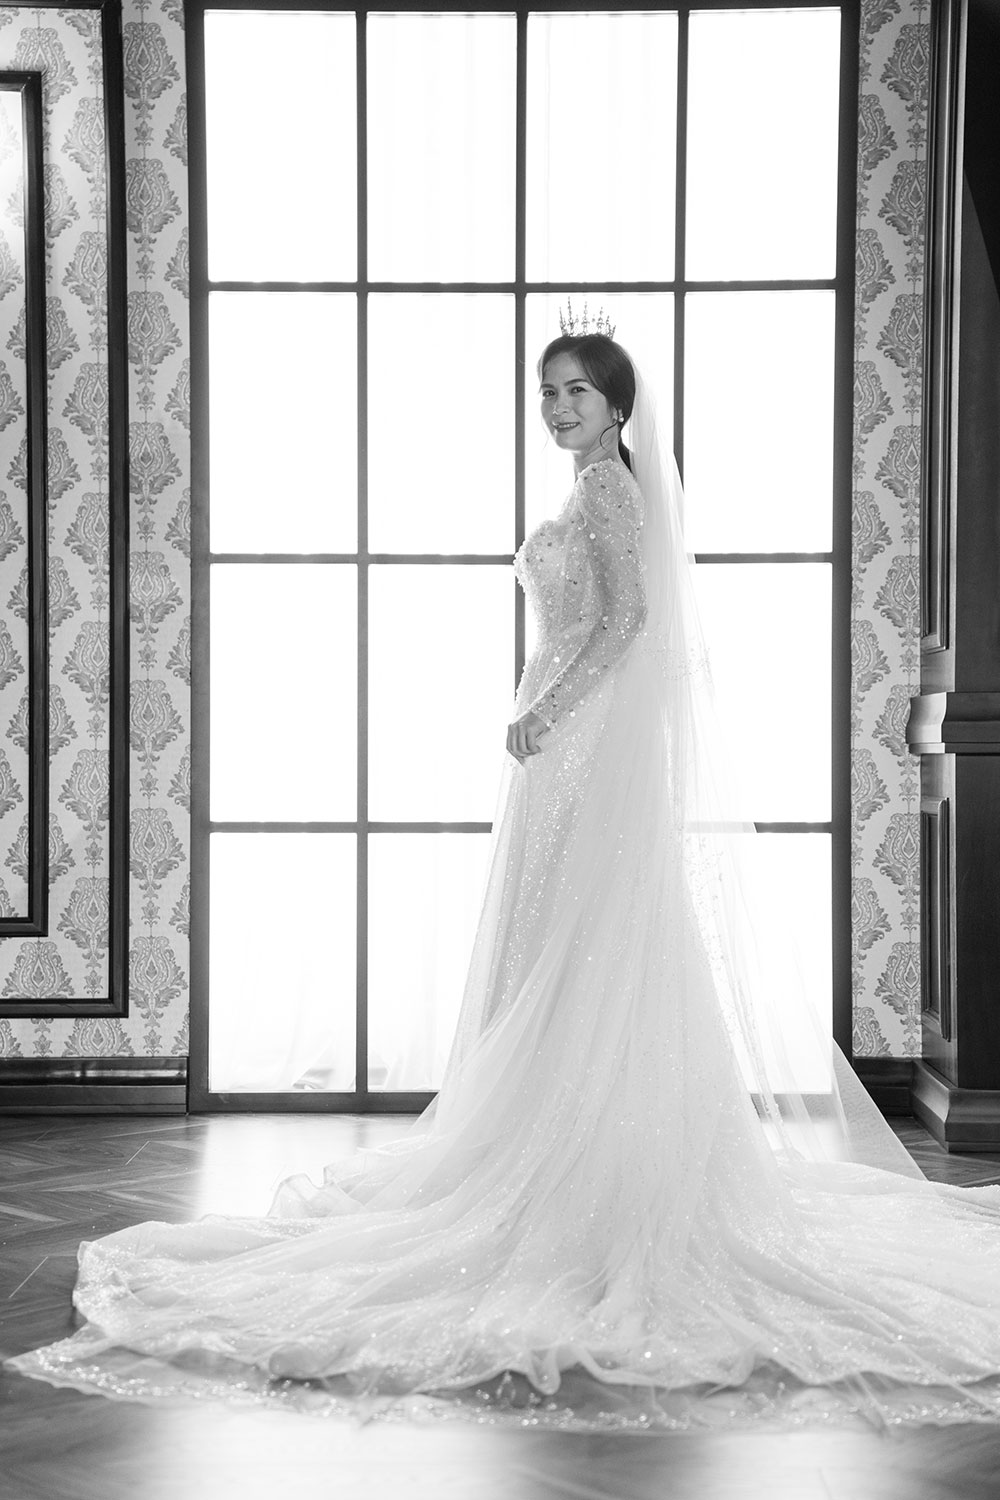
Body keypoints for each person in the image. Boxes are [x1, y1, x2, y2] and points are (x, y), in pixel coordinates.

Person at [10, 321, 1000, 1434]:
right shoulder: (594, 488)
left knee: (585, 935)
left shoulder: (611, 491)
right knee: (571, 940)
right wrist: (547, 713)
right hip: (569, 744)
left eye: (576, 391)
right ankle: (561, 1130)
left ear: (619, 406)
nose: (558, 407)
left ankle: (583, 1156)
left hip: (581, 740)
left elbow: (628, 620)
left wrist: (547, 709)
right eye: (546, 391)